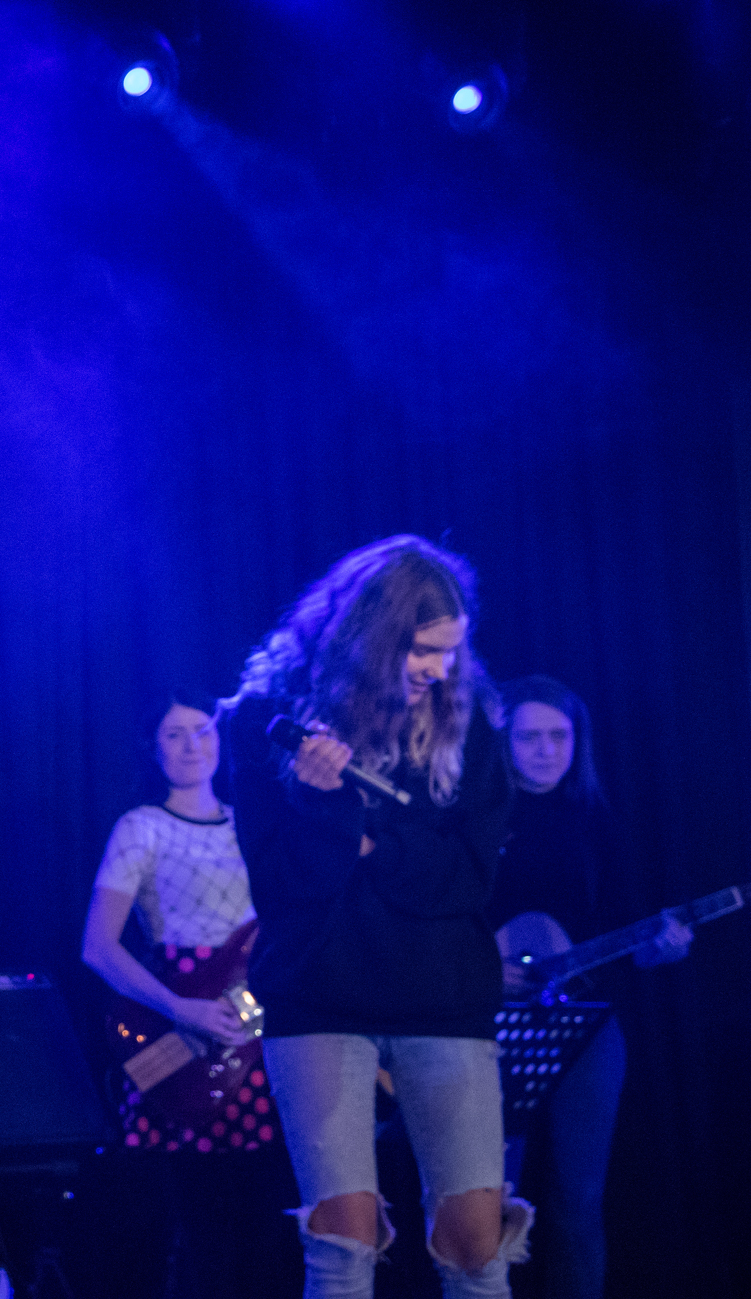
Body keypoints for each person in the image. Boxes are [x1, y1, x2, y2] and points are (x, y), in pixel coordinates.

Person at [220, 535, 531, 1299]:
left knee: (476, 1245)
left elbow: (468, 879)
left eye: (450, 651)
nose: (440, 669)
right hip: (319, 994)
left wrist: (374, 841)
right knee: (342, 1241)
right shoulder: (264, 719)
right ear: (370, 640)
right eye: (423, 650)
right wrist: (326, 806)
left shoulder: (471, 723)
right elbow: (286, 888)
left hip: (444, 996)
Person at [83, 694, 295, 1297]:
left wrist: (246, 1013)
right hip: (175, 1031)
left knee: (264, 1218)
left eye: (202, 730)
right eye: (174, 734)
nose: (192, 745)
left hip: (257, 1024)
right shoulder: (141, 827)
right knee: (195, 1220)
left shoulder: (252, 821)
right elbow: (98, 947)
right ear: (153, 749)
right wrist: (184, 1010)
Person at [488, 675, 687, 1299]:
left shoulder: (597, 818)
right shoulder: (477, 816)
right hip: (490, 1025)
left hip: (586, 1025)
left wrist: (662, 947)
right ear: (504, 742)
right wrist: (481, 966)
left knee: (580, 1203)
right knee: (489, 1203)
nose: (546, 750)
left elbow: (628, 932)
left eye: (560, 735)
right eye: (529, 737)